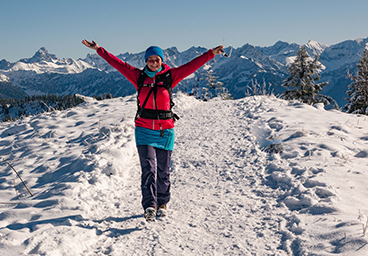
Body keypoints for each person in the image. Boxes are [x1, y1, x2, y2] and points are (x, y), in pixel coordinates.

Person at [82, 39, 223, 221]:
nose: (154, 63)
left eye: (157, 59)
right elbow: (118, 64)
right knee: (148, 169)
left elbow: (192, 65)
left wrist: (211, 53)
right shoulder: (138, 76)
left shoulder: (171, 76)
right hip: (143, 130)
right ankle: (149, 205)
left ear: (161, 60)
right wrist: (99, 50)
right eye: (150, 60)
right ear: (146, 61)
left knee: (163, 171)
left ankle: (162, 203)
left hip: (165, 131)